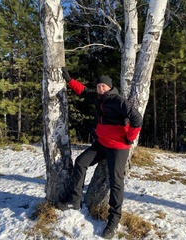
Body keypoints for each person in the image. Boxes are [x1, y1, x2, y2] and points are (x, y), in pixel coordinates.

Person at [57, 67, 143, 239]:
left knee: (116, 182)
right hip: (102, 144)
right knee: (81, 161)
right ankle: (74, 201)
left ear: (110, 87)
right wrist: (69, 80)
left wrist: (129, 138)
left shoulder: (118, 101)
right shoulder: (98, 98)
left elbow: (137, 118)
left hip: (118, 147)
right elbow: (83, 91)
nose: (100, 89)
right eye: (98, 86)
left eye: (103, 86)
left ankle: (114, 220)